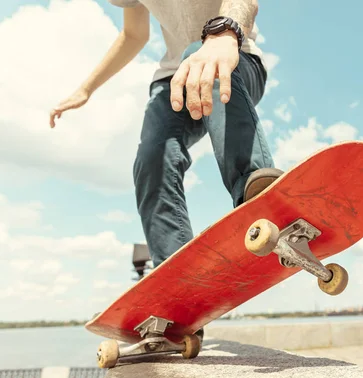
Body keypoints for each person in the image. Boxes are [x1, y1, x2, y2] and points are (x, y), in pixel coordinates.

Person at [49, 0, 283, 275]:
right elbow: (133, 34)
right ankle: (176, 272)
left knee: (202, 55)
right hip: (173, 77)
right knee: (153, 156)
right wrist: (86, 89)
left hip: (236, 59)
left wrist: (225, 32)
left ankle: (257, 194)